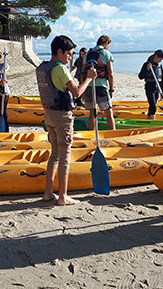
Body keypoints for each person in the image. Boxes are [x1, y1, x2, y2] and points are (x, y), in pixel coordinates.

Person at [35, 35, 96, 205]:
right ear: (59, 51)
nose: (70, 57)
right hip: (62, 116)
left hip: (49, 114)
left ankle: (48, 192)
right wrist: (89, 78)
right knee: (64, 155)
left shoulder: (44, 67)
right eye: (69, 54)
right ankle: (63, 196)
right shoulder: (60, 68)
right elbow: (77, 92)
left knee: (54, 154)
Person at [83, 35, 115, 130]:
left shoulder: (87, 53)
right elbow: (111, 74)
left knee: (92, 113)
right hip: (101, 86)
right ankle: (113, 133)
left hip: (89, 86)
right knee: (108, 112)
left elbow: (83, 72)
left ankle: (92, 134)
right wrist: (111, 89)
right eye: (109, 45)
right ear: (106, 43)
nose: (108, 47)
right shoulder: (106, 53)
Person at [138, 49, 163, 119]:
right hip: (149, 87)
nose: (160, 61)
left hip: (157, 88)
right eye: (160, 59)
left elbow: (161, 80)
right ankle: (153, 119)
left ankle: (149, 117)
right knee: (153, 105)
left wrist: (162, 92)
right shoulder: (147, 64)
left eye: (162, 59)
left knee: (153, 105)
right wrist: (147, 69)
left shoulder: (160, 66)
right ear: (156, 56)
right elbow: (140, 76)